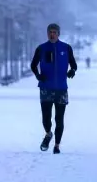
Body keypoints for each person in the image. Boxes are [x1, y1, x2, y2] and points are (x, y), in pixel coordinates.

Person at [30, 23, 77, 154]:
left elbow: (73, 64)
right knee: (46, 118)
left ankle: (56, 145)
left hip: (61, 89)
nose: (52, 34)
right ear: (47, 33)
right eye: (50, 32)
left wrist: (72, 70)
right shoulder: (41, 48)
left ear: (58, 34)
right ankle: (48, 133)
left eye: (54, 32)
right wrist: (38, 76)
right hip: (46, 88)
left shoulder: (66, 48)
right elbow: (33, 65)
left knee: (59, 118)